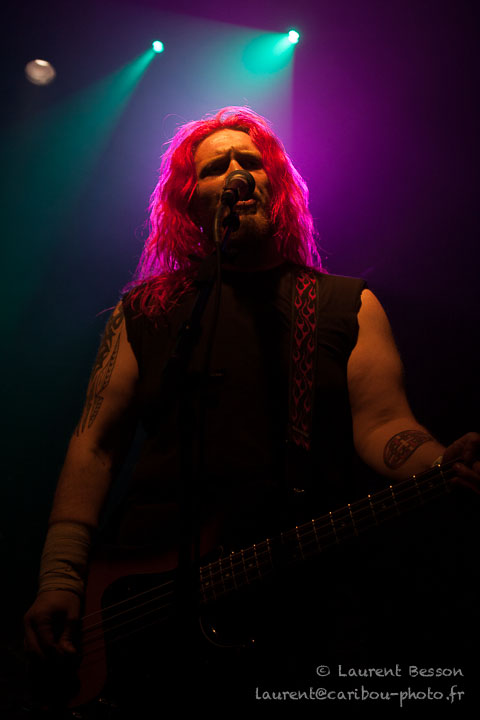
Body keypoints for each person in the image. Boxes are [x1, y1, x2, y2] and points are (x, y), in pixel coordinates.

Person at [24, 106, 479, 713]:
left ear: (275, 185)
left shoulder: (346, 305)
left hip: (292, 600)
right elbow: (95, 446)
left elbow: (385, 425)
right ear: (190, 202)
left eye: (252, 161)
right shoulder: (147, 311)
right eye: (216, 168)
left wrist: (442, 462)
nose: (238, 172)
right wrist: (60, 578)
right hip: (140, 593)